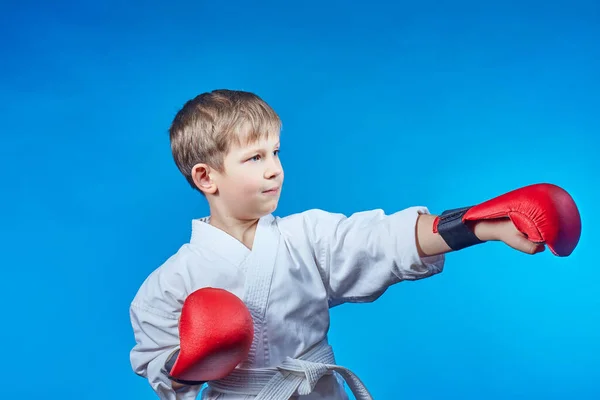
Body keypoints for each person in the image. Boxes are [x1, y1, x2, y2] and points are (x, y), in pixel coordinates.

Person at [129, 89, 580, 400]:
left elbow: (381, 242)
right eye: (254, 158)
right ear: (206, 177)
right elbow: (161, 371)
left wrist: (485, 224)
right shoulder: (169, 283)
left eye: (275, 153)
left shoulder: (307, 235)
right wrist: (195, 357)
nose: (274, 170)